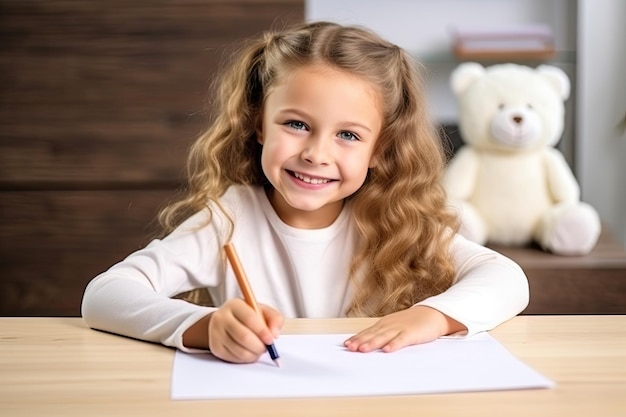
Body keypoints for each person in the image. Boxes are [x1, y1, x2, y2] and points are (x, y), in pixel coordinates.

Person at [81, 21, 529, 364]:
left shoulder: (396, 220)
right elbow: (104, 295)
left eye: (349, 135)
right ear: (258, 123)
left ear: (381, 148)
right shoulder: (229, 221)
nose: (316, 154)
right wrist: (205, 326)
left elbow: (508, 279)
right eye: (296, 125)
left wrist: (431, 317)